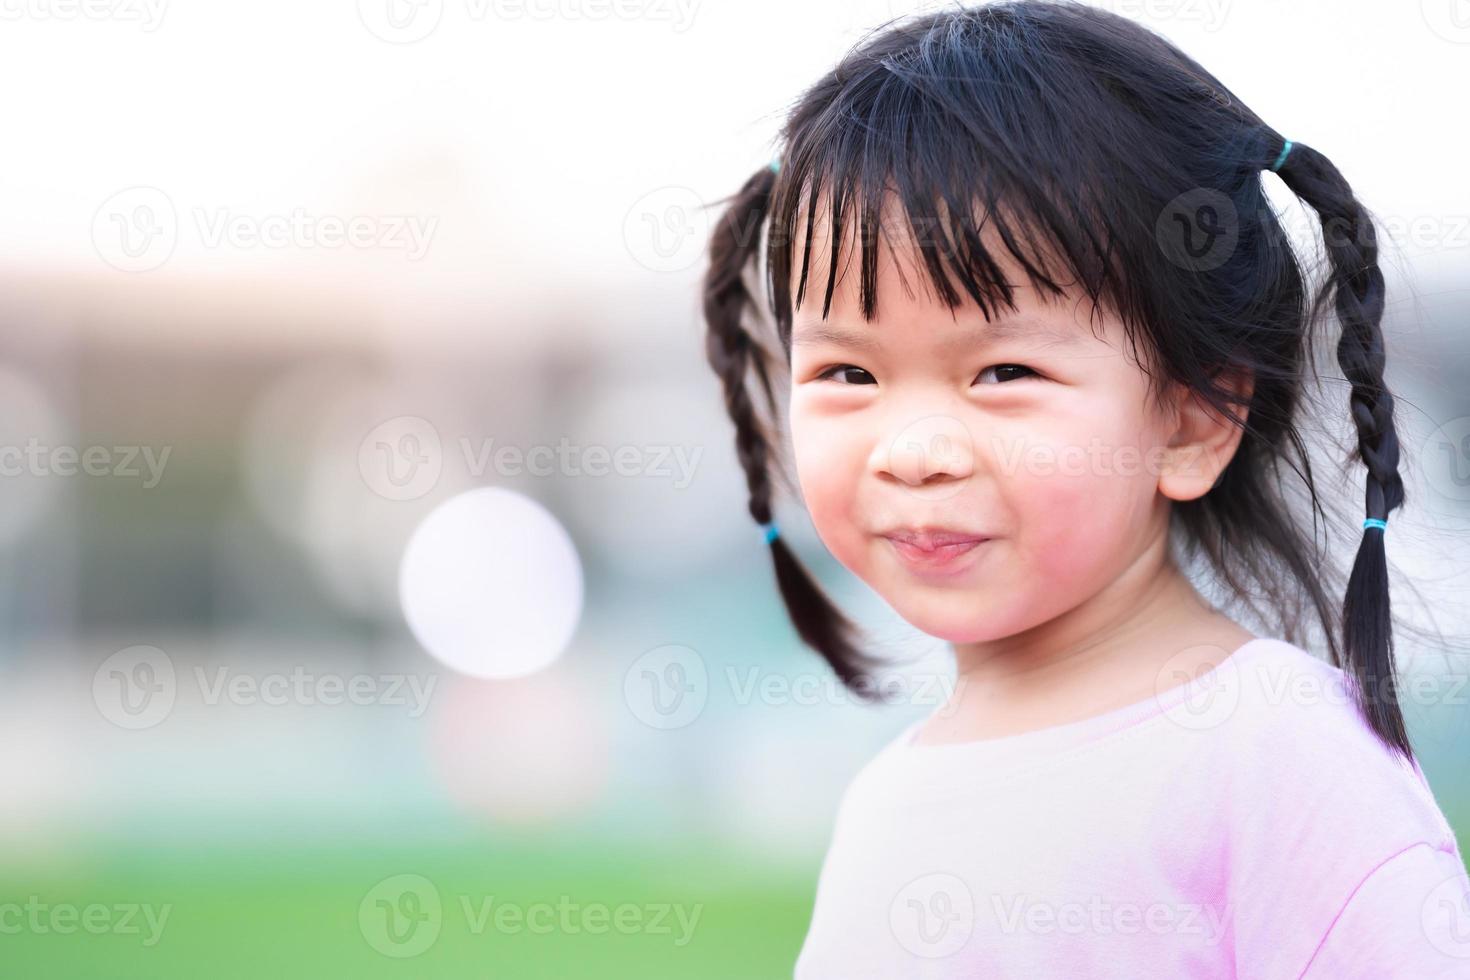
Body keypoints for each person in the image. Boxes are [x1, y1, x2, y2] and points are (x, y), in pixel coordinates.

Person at [698, 2, 1470, 976]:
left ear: (1191, 420)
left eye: (1003, 372)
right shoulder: (886, 800)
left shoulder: (1280, 760)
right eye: (849, 373)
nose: (915, 450)